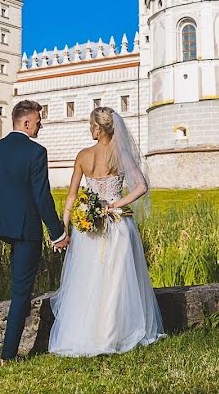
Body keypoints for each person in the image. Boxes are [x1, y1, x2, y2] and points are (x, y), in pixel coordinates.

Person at [48, 106, 165, 356]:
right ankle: (114, 333)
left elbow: (71, 197)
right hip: (118, 224)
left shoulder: (83, 155)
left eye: (91, 125)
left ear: (98, 129)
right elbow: (141, 187)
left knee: (89, 279)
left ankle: (88, 334)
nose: (90, 129)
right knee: (117, 280)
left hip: (88, 228)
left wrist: (65, 228)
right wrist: (114, 205)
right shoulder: (121, 155)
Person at [0, 100, 70, 365]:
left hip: (1, 225)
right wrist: (58, 233)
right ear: (27, 123)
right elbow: (42, 197)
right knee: (21, 291)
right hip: (26, 229)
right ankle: (8, 356)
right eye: (38, 122)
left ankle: (8, 350)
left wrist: (6, 213)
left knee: (18, 285)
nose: (40, 126)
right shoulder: (36, 152)